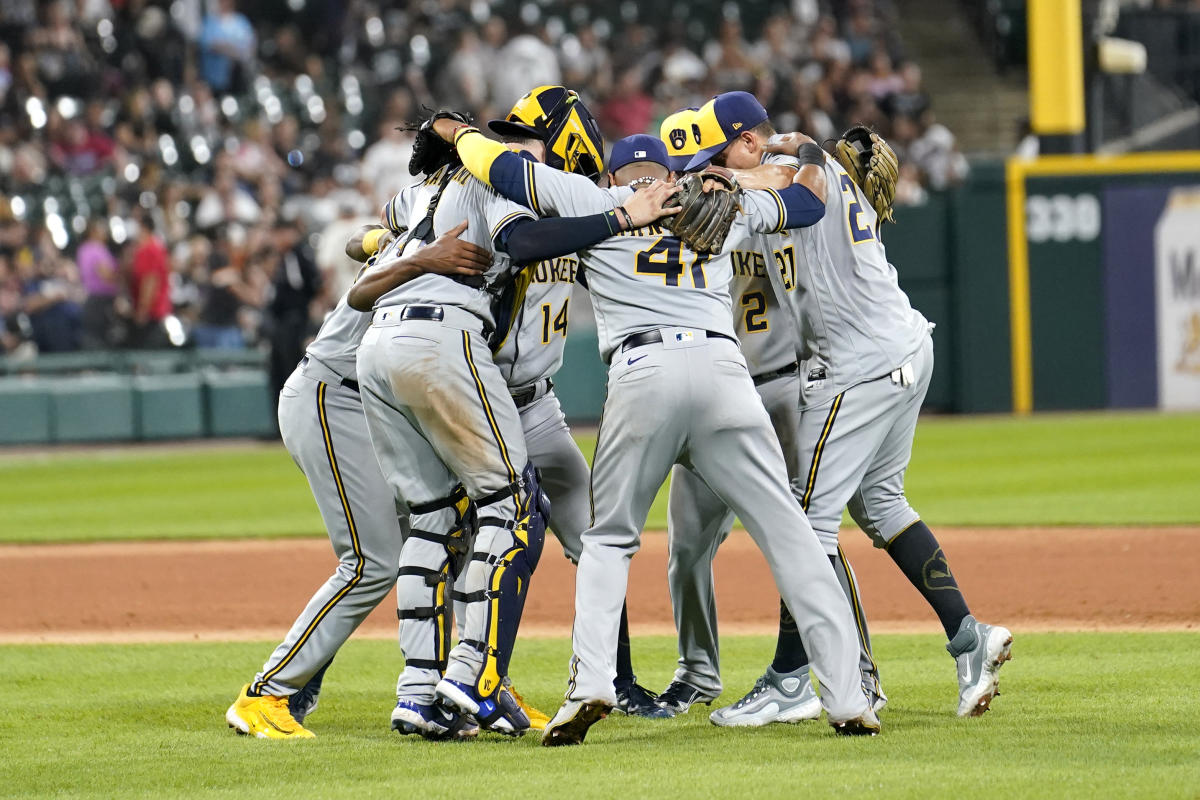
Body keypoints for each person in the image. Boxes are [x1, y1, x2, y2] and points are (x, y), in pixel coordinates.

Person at [434, 87, 881, 746]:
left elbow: (505, 174)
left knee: (609, 540)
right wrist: (791, 155)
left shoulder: (603, 202)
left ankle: (590, 684)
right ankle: (847, 698)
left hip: (644, 373)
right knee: (789, 534)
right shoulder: (715, 200)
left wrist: (453, 133)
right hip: (728, 375)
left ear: (619, 175)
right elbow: (809, 202)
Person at [353, 97, 681, 739]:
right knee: (501, 517)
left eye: (529, 136)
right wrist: (394, 245)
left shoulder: (565, 204)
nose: (515, 146)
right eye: (508, 136)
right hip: (475, 380)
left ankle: (610, 678)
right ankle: (474, 677)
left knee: (593, 534)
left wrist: (392, 248)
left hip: (532, 397)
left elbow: (389, 231)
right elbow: (422, 229)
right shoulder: (507, 187)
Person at [682, 94, 1012, 722]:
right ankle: (969, 640)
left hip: (857, 369)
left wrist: (721, 178)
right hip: (908, 349)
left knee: (806, 526)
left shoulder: (808, 172)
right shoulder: (824, 170)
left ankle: (805, 677)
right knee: (880, 504)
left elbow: (785, 177)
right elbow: (791, 159)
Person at [226, 225, 494, 740]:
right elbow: (362, 271)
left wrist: (374, 239)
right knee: (373, 561)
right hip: (333, 395)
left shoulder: (435, 223)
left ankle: (441, 692)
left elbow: (357, 243)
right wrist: (402, 250)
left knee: (441, 532)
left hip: (373, 403)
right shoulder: (441, 235)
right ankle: (267, 694)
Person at [264, 217, 321, 414]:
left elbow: (311, 285)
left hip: (293, 322)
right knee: (278, 373)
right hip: (282, 322)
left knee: (290, 372)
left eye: (278, 234)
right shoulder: (286, 257)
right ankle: (279, 423)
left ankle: (293, 419)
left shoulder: (298, 254)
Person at [76, 220, 123, 350]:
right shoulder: (95, 248)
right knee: (100, 341)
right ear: (93, 231)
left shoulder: (83, 248)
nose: (105, 232)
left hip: (92, 300)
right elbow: (106, 276)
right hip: (100, 301)